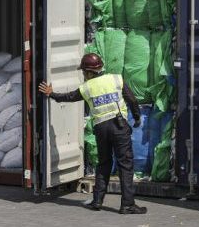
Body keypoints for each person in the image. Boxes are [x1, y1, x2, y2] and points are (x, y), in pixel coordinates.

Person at [38, 53, 147, 215]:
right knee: (125, 165)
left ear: (89, 72)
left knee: (103, 164)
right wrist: (137, 118)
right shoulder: (116, 79)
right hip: (119, 127)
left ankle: (97, 201)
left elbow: (68, 97)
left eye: (83, 71)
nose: (83, 74)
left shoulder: (86, 88)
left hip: (101, 129)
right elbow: (132, 100)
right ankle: (127, 205)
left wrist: (51, 94)